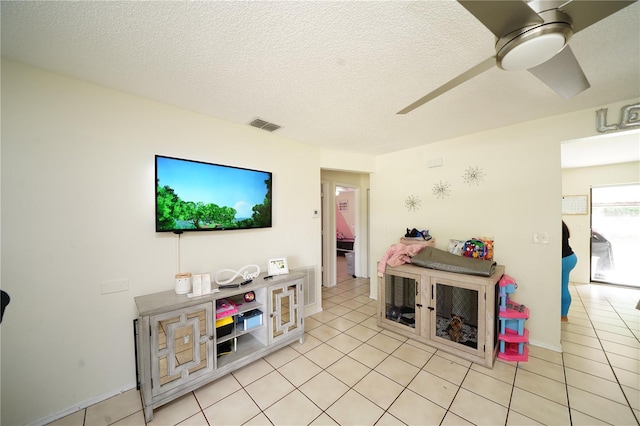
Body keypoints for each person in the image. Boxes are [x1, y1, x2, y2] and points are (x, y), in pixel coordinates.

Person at [562, 221, 578, 322]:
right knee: (563, 286)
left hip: (563, 259)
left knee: (562, 288)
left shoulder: (555, 223)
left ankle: (563, 316)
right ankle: (563, 315)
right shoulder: (562, 223)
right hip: (570, 257)